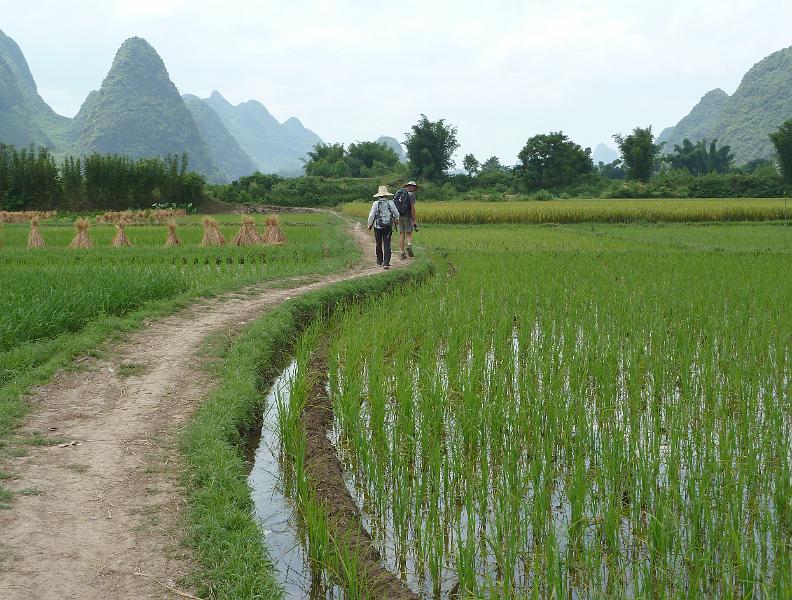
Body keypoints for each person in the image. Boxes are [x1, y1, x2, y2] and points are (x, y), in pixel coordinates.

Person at [367, 185, 400, 269]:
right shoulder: (390, 202)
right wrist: (397, 219)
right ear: (386, 195)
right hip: (388, 226)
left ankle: (379, 260)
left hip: (377, 226)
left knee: (378, 243)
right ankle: (386, 263)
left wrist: (369, 224)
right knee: (387, 244)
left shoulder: (376, 203)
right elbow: (396, 213)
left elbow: (371, 215)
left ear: (379, 195)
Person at [393, 180, 418, 259]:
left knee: (401, 234)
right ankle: (409, 245)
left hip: (399, 215)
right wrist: (414, 220)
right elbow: (412, 209)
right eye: (414, 187)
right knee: (409, 232)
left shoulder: (399, 193)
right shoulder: (411, 195)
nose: (414, 188)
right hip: (407, 216)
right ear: (412, 187)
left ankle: (402, 253)